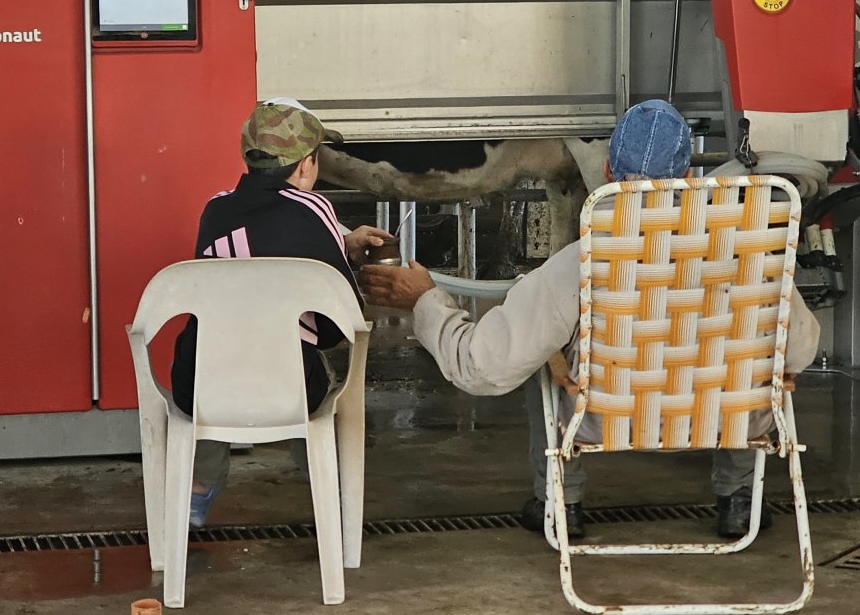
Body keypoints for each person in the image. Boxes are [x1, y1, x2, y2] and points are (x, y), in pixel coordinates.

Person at [361, 100, 821, 540]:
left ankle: (560, 502)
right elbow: (799, 348)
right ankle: (739, 498)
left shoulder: (580, 263)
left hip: (601, 420)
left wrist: (426, 301)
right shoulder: (753, 257)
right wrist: (780, 370)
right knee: (748, 356)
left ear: (606, 173)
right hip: (730, 419)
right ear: (686, 176)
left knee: (544, 357)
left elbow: (484, 367)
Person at [171, 97, 391, 528]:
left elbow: (258, 250)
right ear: (307, 165)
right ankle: (332, 494)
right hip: (285, 393)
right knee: (312, 371)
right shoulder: (315, 208)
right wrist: (346, 256)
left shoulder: (215, 209)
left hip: (198, 388)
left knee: (216, 356)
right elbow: (337, 326)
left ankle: (198, 491)